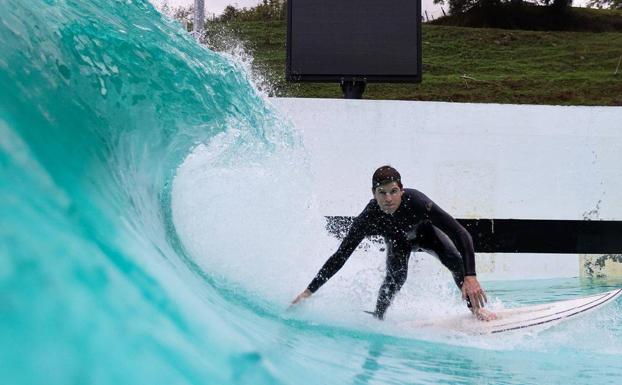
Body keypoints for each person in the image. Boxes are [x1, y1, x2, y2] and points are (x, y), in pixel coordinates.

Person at [291, 165, 497, 321]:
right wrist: (309, 291)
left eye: (393, 191)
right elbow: (340, 256)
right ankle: (378, 317)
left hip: (428, 236)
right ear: (373, 193)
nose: (388, 198)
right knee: (396, 278)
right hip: (398, 243)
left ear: (402, 190)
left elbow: (460, 233)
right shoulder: (368, 217)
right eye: (382, 193)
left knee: (454, 261)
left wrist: (471, 276)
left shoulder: (418, 202)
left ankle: (476, 310)